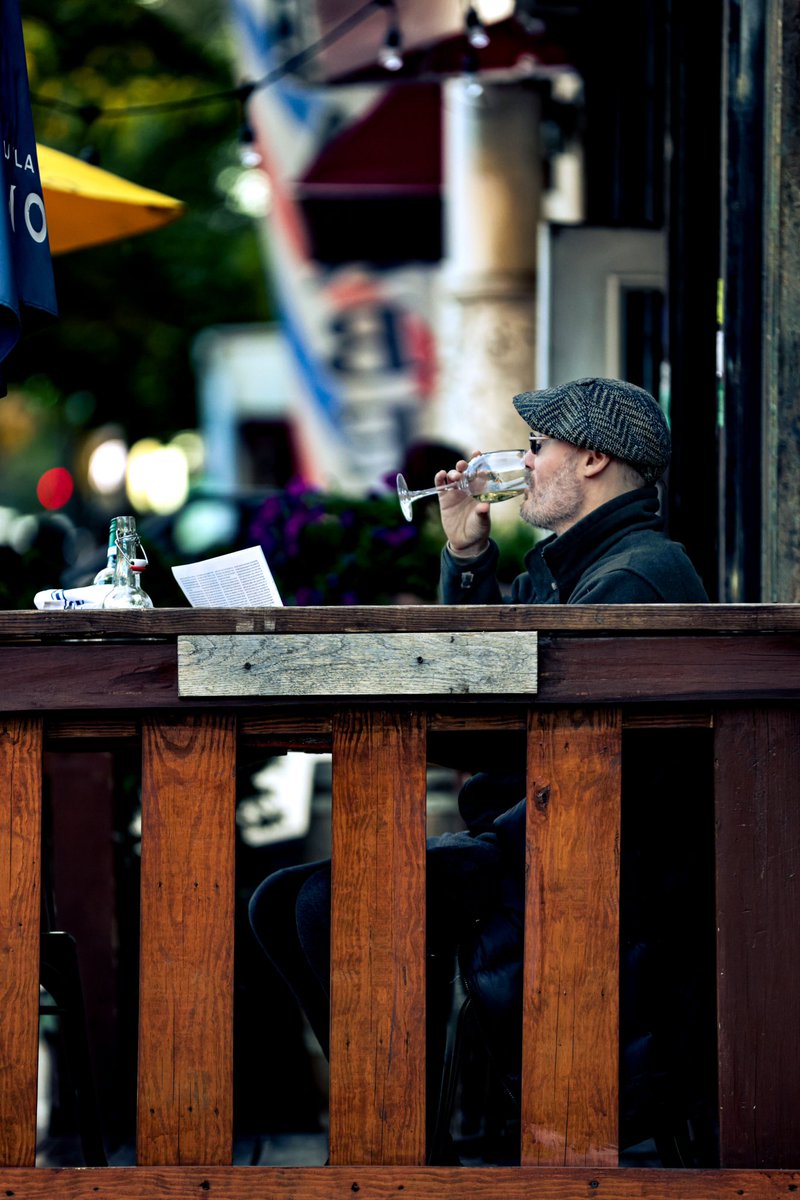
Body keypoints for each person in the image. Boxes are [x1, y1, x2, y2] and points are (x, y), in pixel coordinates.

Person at [248, 377, 712, 1163]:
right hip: (542, 830)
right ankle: (407, 1128)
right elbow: (485, 677)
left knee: (323, 903)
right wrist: (466, 552)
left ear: (593, 458)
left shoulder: (629, 575)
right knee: (281, 899)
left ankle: (402, 1146)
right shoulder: (584, 561)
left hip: (588, 858)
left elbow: (508, 719)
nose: (523, 463)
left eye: (538, 447)